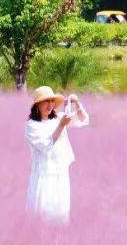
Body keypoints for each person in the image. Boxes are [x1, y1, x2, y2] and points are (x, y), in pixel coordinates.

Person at [26, 86, 89, 223]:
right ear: (37, 105)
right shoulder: (32, 126)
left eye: (52, 101)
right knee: (43, 213)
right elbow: (46, 146)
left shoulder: (58, 118)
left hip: (60, 172)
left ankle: (58, 242)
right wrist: (61, 125)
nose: (50, 105)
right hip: (44, 174)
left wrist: (76, 103)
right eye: (46, 101)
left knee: (60, 212)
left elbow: (83, 120)